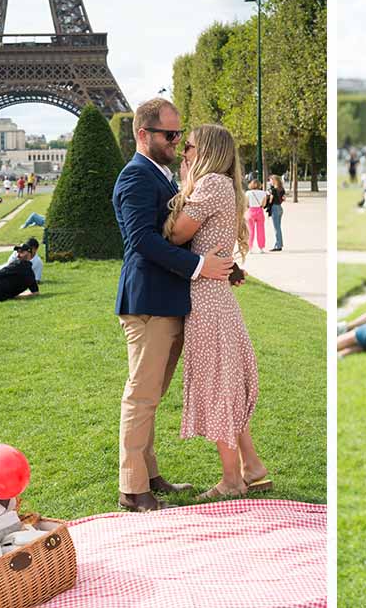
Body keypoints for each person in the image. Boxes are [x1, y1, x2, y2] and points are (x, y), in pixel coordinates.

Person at [112, 98, 234, 513]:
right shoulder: (135, 177)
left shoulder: (158, 175)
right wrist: (201, 265)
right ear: (143, 134)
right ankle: (132, 488)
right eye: (170, 134)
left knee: (151, 395)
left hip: (166, 300)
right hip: (149, 302)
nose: (177, 140)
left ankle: (148, 474)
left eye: (180, 134)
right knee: (141, 395)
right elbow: (141, 241)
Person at [163, 123, 270, 500]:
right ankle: (252, 466)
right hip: (216, 296)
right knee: (226, 385)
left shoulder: (209, 185)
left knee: (219, 388)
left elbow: (177, 234)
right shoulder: (225, 185)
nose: (184, 152)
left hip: (207, 300)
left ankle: (231, 480)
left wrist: (184, 183)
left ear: (205, 149)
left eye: (189, 146)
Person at [244, 179, 268, 253]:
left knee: (250, 230)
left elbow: (246, 203)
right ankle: (261, 248)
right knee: (261, 230)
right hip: (259, 211)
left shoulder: (248, 193)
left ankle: (250, 247)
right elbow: (264, 204)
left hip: (251, 211)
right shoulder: (263, 193)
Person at [267, 174, 285, 252]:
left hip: (275, 208)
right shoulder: (282, 189)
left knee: (276, 228)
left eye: (270, 180)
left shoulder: (273, 190)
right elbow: (283, 198)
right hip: (280, 208)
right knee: (278, 228)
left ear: (274, 181)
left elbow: (270, 200)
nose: (269, 181)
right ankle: (279, 244)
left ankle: (278, 245)